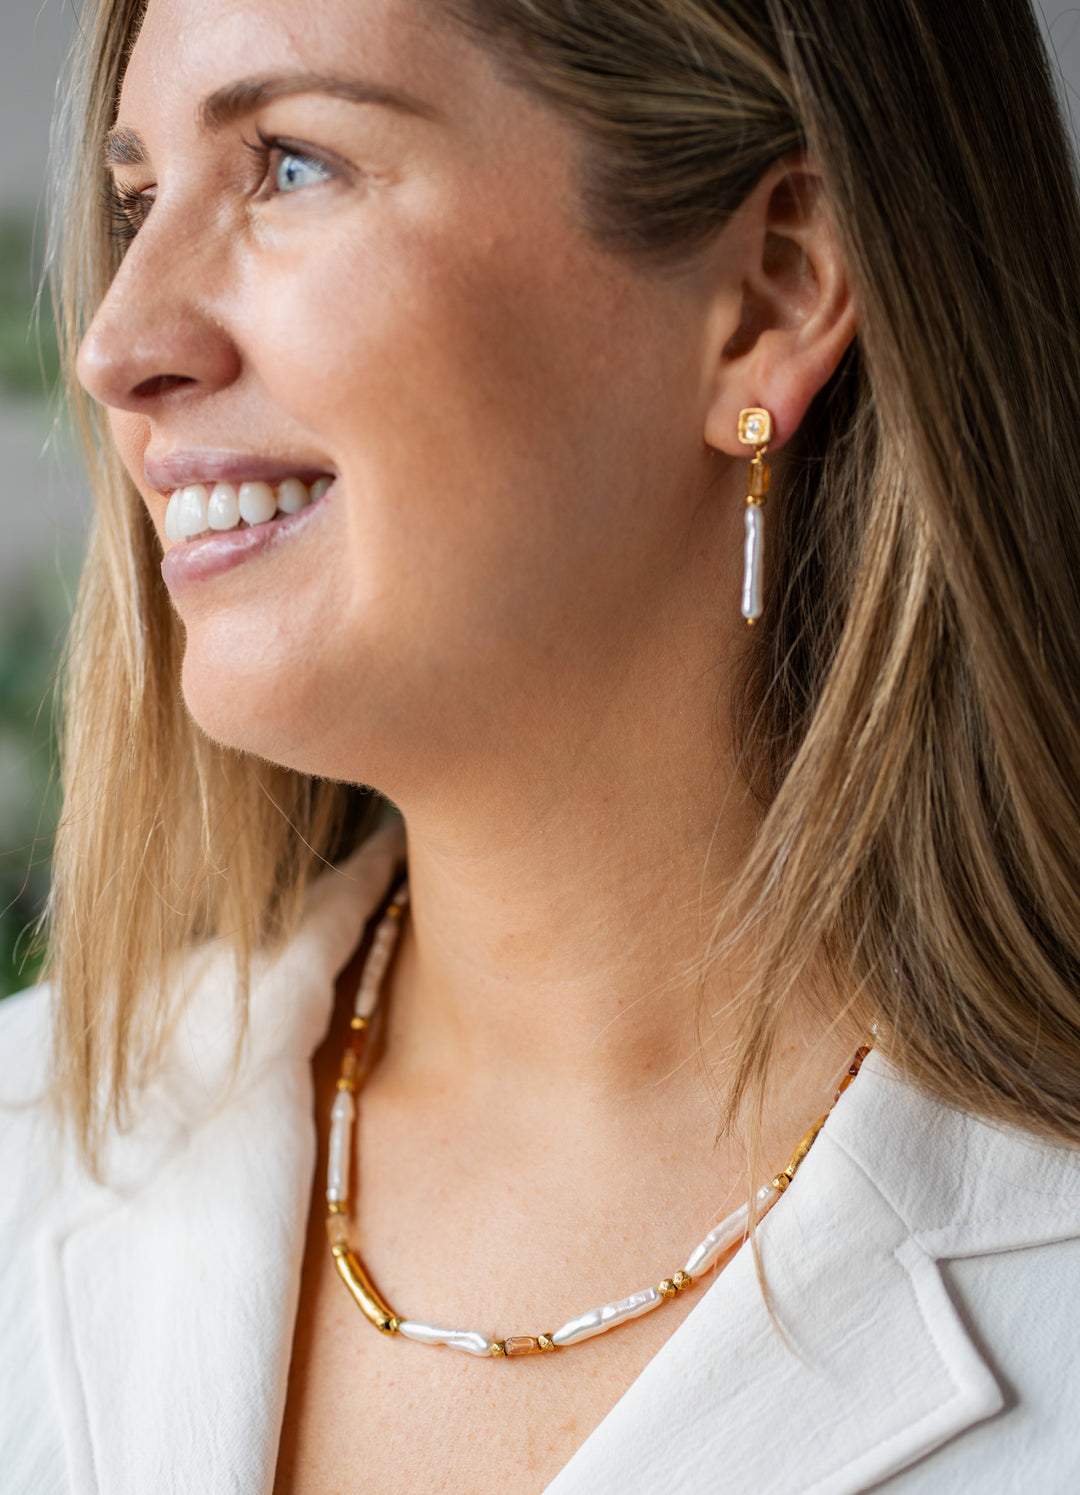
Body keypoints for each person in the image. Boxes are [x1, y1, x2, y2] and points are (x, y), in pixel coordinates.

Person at [3, 0, 1080, 1489]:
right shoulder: (25, 1152)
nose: (117, 345)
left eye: (292, 164)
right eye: (134, 203)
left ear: (770, 293)